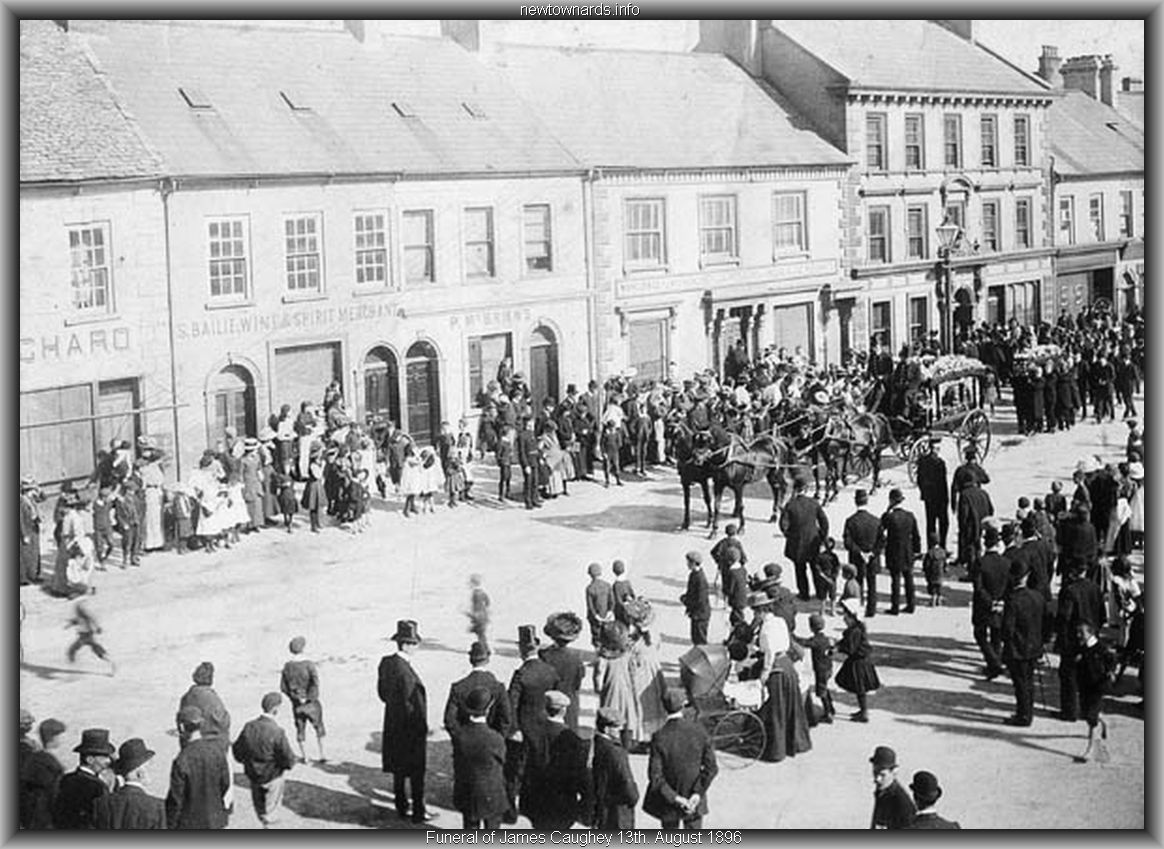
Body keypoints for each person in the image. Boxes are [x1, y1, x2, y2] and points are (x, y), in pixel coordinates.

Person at [377, 619, 431, 823]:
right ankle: (419, 811)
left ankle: (401, 805)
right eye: (415, 643)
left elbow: (382, 693)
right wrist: (422, 728)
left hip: (392, 724)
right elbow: (413, 706)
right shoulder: (406, 673)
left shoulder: (386, 663)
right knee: (417, 771)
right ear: (407, 645)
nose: (417, 647)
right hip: (410, 728)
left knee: (398, 769)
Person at [505, 625, 560, 824]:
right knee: (539, 767)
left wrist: (514, 729)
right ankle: (534, 807)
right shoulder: (550, 671)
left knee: (515, 772)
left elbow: (511, 704)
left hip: (524, 729)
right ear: (536, 646)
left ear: (521, 649)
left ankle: (510, 813)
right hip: (544, 727)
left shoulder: (521, 674)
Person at [642, 688, 718, 830]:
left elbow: (655, 777)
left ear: (664, 708)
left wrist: (675, 798)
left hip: (668, 802)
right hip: (694, 800)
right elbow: (711, 768)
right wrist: (696, 793)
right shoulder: (699, 732)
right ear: (683, 706)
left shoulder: (659, 737)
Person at [754, 594, 812, 762]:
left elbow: (770, 653)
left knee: (776, 709)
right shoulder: (780, 621)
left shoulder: (766, 628)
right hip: (787, 664)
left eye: (757, 612)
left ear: (762, 611)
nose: (756, 615)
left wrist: (764, 674)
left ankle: (776, 750)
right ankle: (794, 742)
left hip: (776, 668)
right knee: (789, 707)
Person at [522, 691, 591, 830]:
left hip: (535, 801)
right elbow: (581, 776)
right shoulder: (574, 740)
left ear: (546, 708)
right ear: (564, 711)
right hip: (564, 804)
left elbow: (522, 768)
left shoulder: (533, 734)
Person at [232, 693, 297, 828]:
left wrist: (246, 763)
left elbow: (237, 750)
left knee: (260, 810)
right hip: (272, 775)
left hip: (253, 775)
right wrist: (286, 766)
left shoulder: (249, 726)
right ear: (275, 709)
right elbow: (288, 757)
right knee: (271, 811)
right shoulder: (277, 731)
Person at [451, 687, 508, 830]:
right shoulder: (495, 738)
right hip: (492, 792)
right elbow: (502, 761)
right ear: (488, 709)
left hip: (467, 791)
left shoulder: (460, 736)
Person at [166, 706, 231, 829]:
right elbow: (225, 784)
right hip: (216, 820)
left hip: (191, 824)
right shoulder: (217, 751)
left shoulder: (182, 760)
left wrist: (170, 825)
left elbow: (176, 799)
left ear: (181, 727)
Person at [1056, 562, 1104, 723]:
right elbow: (1102, 616)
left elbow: (1064, 618)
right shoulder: (1095, 589)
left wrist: (1061, 640)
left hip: (1073, 640)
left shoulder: (1070, 591)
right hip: (1091, 639)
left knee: (1068, 676)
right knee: (1089, 676)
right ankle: (1088, 711)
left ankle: (1069, 711)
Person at [1002, 562, 1046, 727]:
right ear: (1026, 577)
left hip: (1017, 648)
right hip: (1034, 646)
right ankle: (1028, 712)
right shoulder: (1038, 597)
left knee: (1020, 683)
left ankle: (1023, 716)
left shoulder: (1013, 600)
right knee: (1029, 682)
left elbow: (1007, 628)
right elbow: (1047, 621)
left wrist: (1006, 642)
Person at [94, 738, 167, 829]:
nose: (151, 772)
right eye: (149, 768)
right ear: (139, 773)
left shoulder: (102, 803)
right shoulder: (157, 807)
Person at [444, 641, 513, 738]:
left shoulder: (458, 687)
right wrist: (498, 740)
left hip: (465, 743)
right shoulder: (498, 687)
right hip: (493, 742)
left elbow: (450, 720)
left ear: (470, 660)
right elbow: (506, 718)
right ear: (487, 659)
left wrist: (460, 739)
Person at [970, 525, 1011, 680]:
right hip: (1001, 604)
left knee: (980, 634)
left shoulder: (980, 562)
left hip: (983, 605)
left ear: (985, 543)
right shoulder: (1006, 562)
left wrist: (990, 602)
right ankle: (995, 663)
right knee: (996, 635)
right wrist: (1000, 602)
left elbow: (978, 588)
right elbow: (1009, 586)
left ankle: (994, 663)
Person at [779, 477, 829, 601]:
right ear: (805, 490)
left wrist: (789, 535)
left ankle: (804, 594)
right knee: (816, 569)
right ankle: (819, 593)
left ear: (795, 489)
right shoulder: (813, 503)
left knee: (800, 571)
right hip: (813, 542)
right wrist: (822, 537)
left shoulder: (790, 505)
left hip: (797, 544)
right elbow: (824, 522)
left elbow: (783, 524)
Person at [53, 728, 114, 828]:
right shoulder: (97, 787)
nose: (108, 761)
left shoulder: (64, 780)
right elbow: (102, 820)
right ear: (90, 759)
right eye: (104, 757)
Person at [590, 707, 639, 830]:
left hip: (601, 812)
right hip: (618, 814)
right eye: (616, 727)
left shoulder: (595, 745)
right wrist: (634, 796)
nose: (619, 731)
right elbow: (627, 783)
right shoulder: (616, 752)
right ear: (607, 729)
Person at [1074, 621, 1116, 763]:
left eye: (1081, 632)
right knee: (1087, 713)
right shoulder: (1081, 647)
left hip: (1097, 687)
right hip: (1085, 686)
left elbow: (1112, 660)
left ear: (1090, 633)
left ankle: (1089, 749)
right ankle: (1104, 721)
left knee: (1091, 718)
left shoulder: (1100, 648)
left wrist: (1110, 673)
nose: (1078, 635)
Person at [280, 636, 326, 764]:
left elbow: (283, 687)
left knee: (300, 729)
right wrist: (309, 697)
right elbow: (315, 682)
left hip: (296, 704)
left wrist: (295, 698)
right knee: (319, 727)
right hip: (311, 703)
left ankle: (305, 757)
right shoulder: (309, 664)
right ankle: (322, 755)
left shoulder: (287, 667)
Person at [876, 488, 921, 615]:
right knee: (909, 579)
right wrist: (916, 551)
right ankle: (911, 604)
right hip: (907, 551)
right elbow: (916, 536)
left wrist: (887, 509)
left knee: (895, 580)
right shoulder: (910, 516)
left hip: (894, 551)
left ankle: (895, 607)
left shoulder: (889, 517)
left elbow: (880, 529)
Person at [540, 612, 586, 731]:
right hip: (570, 702)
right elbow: (577, 683)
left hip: (548, 702)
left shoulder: (544, 655)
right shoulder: (576, 658)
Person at [836, 603, 880, 723]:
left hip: (859, 662)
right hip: (858, 660)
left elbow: (850, 648)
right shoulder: (854, 629)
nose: (844, 618)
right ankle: (863, 710)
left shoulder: (855, 631)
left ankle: (864, 712)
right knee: (859, 687)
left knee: (860, 687)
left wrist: (838, 648)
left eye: (847, 616)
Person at [20, 718, 66, 830]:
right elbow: (52, 789)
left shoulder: (37, 757)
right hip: (43, 814)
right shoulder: (45, 760)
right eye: (61, 735)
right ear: (54, 737)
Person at [177, 662, 231, 752]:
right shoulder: (211, 697)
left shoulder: (186, 696)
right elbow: (222, 720)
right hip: (211, 745)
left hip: (189, 745)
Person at [843, 489, 881, 617]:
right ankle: (871, 609)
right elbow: (882, 541)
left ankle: (857, 608)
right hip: (872, 557)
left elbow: (847, 542)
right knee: (872, 584)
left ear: (855, 502)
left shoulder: (850, 521)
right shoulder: (876, 521)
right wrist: (872, 553)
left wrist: (859, 552)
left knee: (857, 584)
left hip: (856, 558)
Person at [796, 612, 836, 725]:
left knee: (821, 691)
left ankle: (828, 713)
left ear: (811, 627)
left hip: (821, 669)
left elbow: (805, 643)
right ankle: (831, 708)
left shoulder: (815, 641)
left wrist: (794, 638)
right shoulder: (826, 639)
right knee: (825, 689)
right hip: (828, 668)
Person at [868, 745, 915, 829]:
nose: (877, 779)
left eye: (882, 775)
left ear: (894, 772)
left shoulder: (903, 804)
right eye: (875, 773)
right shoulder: (882, 792)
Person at [954, 479, 994, 578]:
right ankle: (980, 569)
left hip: (970, 526)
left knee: (971, 548)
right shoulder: (983, 493)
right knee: (980, 547)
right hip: (983, 523)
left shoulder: (965, 494)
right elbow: (991, 509)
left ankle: (972, 572)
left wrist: (962, 527)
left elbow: (964, 513)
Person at [915, 437, 950, 549]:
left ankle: (931, 547)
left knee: (930, 524)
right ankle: (942, 546)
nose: (938, 450)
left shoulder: (922, 461)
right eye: (937, 448)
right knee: (944, 523)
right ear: (933, 449)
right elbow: (943, 484)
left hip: (929, 499)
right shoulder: (940, 463)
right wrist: (947, 499)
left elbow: (919, 480)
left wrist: (925, 493)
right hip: (940, 499)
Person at [66, 600, 115, 675]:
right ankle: (108, 659)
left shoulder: (85, 616)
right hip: (86, 635)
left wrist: (97, 627)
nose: (76, 611)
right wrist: (69, 624)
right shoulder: (81, 617)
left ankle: (73, 668)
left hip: (85, 636)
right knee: (94, 647)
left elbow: (91, 620)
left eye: (77, 609)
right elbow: (76, 621)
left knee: (72, 650)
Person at [679, 551, 711, 646]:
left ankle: (701, 659)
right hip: (697, 613)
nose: (687, 564)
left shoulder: (700, 579)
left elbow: (700, 600)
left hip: (700, 614)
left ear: (693, 563)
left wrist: (686, 601)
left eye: (689, 562)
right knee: (695, 638)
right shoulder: (694, 574)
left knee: (700, 641)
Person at [584, 562, 615, 646]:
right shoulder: (607, 585)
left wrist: (596, 616)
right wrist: (610, 611)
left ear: (590, 574)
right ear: (600, 573)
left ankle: (597, 652)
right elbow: (612, 601)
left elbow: (590, 606)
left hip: (595, 619)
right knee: (607, 635)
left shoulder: (589, 588)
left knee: (596, 636)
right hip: (606, 615)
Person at [517, 417, 544, 509]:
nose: (531, 426)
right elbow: (522, 452)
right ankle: (528, 501)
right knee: (528, 482)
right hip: (528, 461)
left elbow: (536, 448)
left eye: (532, 425)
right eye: (529, 425)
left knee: (535, 481)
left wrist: (540, 457)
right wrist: (525, 465)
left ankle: (535, 499)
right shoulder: (522, 436)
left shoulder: (533, 434)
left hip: (535, 460)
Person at [20, 476, 42, 585]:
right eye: (31, 490)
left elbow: (43, 498)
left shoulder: (31, 499)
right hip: (27, 529)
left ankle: (34, 574)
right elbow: (20, 520)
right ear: (26, 491)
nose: (33, 492)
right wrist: (24, 534)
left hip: (34, 526)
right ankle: (25, 578)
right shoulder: (21, 501)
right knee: (26, 554)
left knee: (35, 552)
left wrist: (38, 489)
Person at [812, 536, 841, 616]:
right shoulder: (834, 556)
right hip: (832, 577)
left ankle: (822, 611)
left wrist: (822, 575)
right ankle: (833, 610)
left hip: (822, 577)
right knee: (833, 595)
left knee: (822, 596)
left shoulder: (820, 556)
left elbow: (817, 567)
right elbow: (837, 567)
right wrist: (834, 576)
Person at [921, 536, 948, 607]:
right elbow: (945, 562)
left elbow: (927, 564)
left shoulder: (930, 553)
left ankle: (933, 599)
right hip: (940, 573)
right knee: (939, 586)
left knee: (932, 587)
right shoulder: (942, 552)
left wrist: (925, 570)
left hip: (932, 573)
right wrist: (945, 569)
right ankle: (938, 599)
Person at [466, 574, 491, 648]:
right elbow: (487, 602)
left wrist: (473, 614)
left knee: (480, 633)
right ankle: (485, 647)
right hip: (483, 615)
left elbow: (476, 606)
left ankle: (485, 648)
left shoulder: (476, 594)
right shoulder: (482, 592)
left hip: (479, 616)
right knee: (481, 633)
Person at [611, 560, 637, 625]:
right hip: (629, 610)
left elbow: (617, 599)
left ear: (613, 571)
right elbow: (633, 594)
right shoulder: (627, 582)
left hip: (620, 611)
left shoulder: (616, 585)